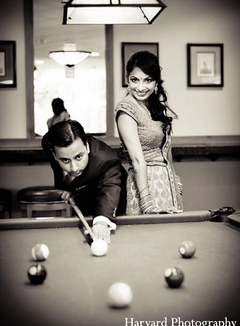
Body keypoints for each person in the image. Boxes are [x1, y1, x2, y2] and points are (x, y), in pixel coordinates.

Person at [115, 51, 183, 215]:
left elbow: (167, 151)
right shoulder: (126, 110)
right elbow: (137, 160)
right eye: (134, 80)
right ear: (127, 80)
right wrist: (146, 203)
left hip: (166, 183)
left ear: (156, 82)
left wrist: (176, 180)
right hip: (145, 187)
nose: (140, 87)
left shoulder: (154, 106)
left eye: (148, 80)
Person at [42, 120, 127, 242]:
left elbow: (110, 188)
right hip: (84, 195)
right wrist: (67, 188)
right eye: (65, 160)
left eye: (78, 157)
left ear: (86, 147)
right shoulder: (48, 143)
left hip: (112, 200)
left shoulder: (107, 160)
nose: (74, 167)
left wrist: (101, 221)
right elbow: (58, 168)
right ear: (55, 155)